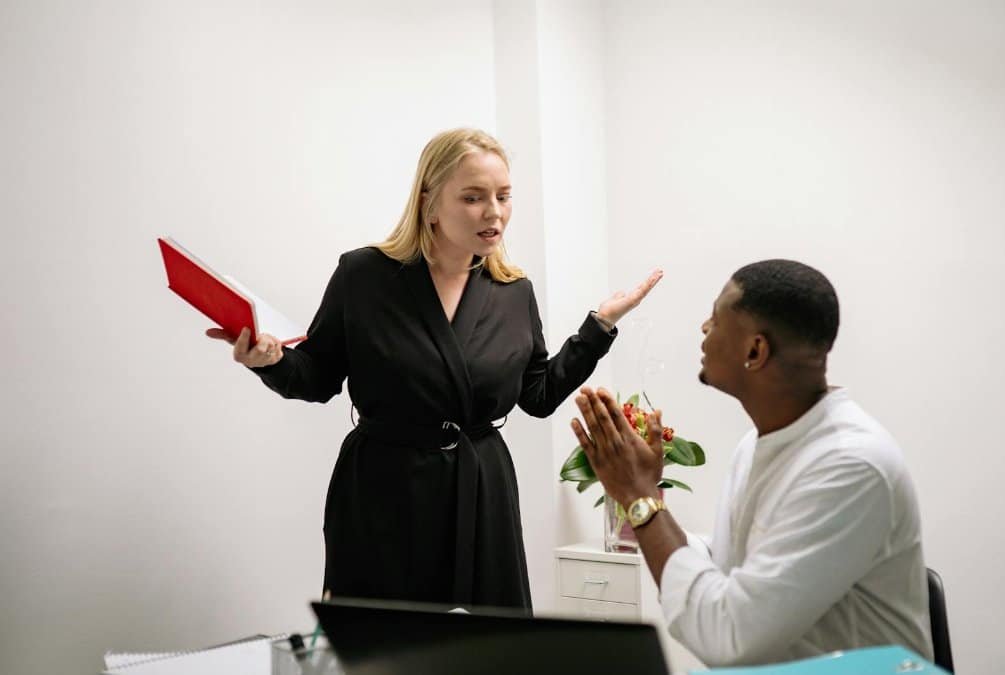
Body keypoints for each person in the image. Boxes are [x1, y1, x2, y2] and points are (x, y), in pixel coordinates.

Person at [207, 128, 661, 612]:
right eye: (473, 197)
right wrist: (271, 360)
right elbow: (317, 376)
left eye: (504, 196)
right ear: (429, 200)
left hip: (482, 491)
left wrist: (598, 327)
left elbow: (538, 394)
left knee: (486, 652)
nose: (495, 212)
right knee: (384, 648)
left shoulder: (513, 292)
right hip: (383, 492)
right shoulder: (363, 276)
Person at [570, 259, 931, 666]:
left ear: (755, 350)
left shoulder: (851, 466)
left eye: (716, 319)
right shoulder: (758, 443)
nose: (703, 329)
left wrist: (639, 498)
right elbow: (726, 559)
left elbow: (728, 638)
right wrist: (644, 495)